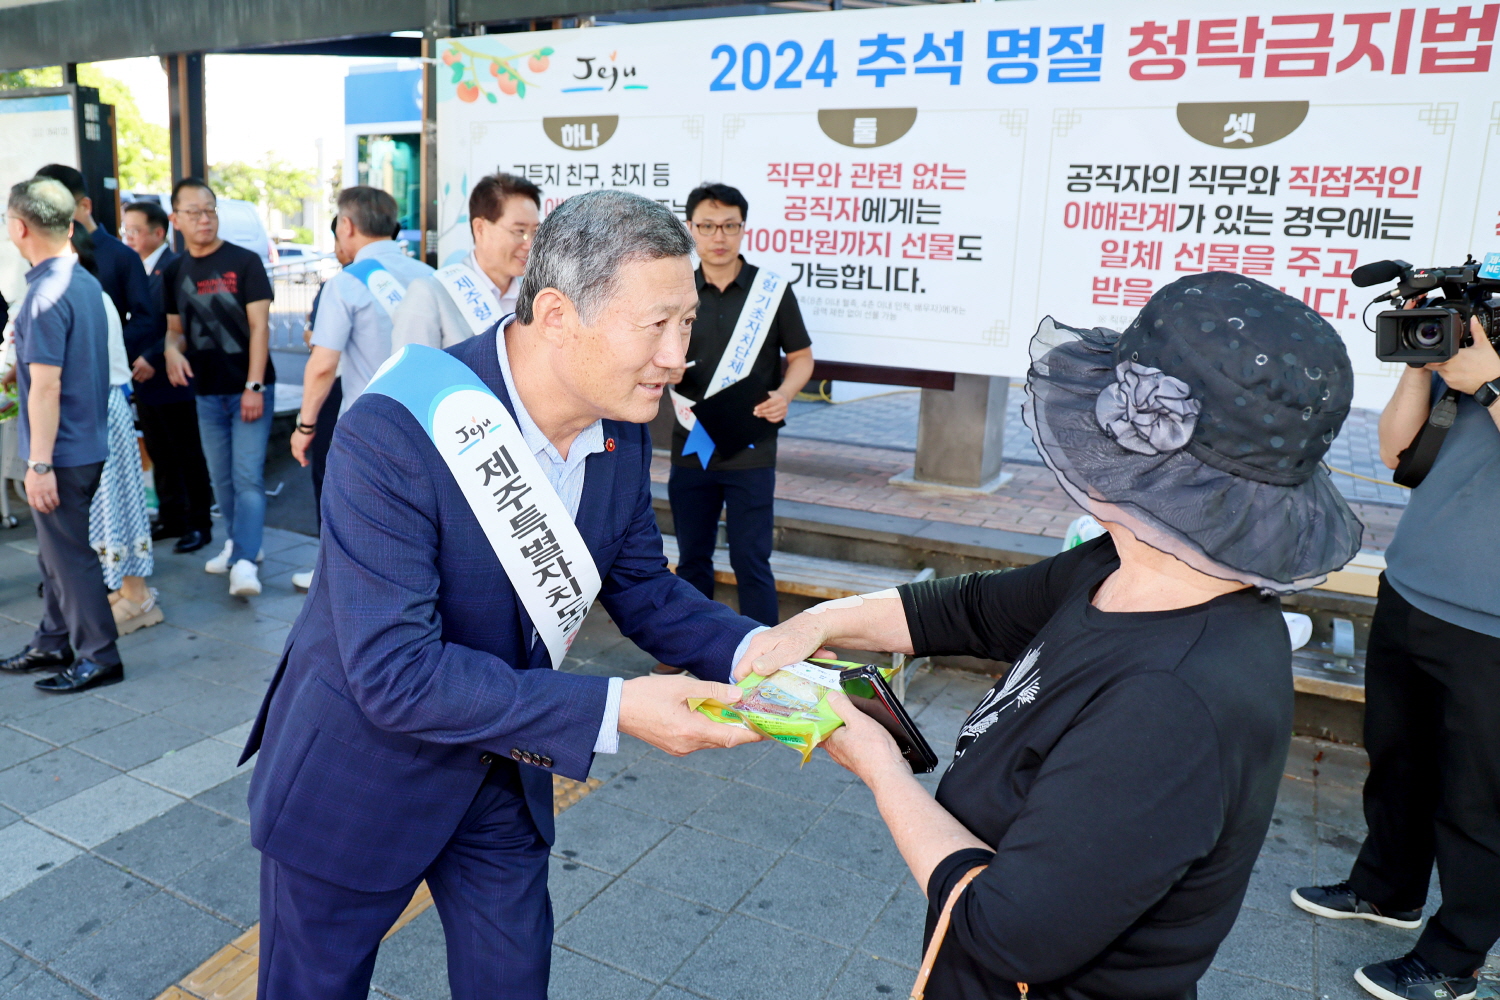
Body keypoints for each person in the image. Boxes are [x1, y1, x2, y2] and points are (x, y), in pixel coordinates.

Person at [739, 272, 1365, 1000]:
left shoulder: (1173, 703)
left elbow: (1009, 932)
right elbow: (967, 609)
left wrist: (876, 763)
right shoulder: (1123, 561)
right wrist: (824, 618)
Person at [242, 189, 776, 1000]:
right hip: (359, 775)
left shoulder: (621, 423)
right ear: (557, 313)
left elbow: (638, 585)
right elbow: (395, 674)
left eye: (687, 323)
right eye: (656, 326)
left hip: (499, 771)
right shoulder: (397, 427)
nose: (678, 357)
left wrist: (760, 652)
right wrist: (619, 709)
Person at [1292, 310, 1500, 1000]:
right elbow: (1397, 453)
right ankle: (1385, 890)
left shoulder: (1490, 370)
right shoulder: (1480, 354)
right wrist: (1424, 363)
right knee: (1398, 760)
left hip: (1493, 624)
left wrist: (1493, 387)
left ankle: (1455, 959)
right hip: (1413, 588)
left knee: (1479, 799)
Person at [657, 183, 814, 674]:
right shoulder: (677, 290)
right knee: (693, 555)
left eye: (729, 225)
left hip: (751, 447)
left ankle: (770, 657)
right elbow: (653, 350)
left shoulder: (772, 291)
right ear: (690, 229)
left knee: (751, 558)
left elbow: (803, 359)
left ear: (743, 228)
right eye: (706, 225)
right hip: (693, 444)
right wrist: (668, 368)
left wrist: (784, 395)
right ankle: (691, 650)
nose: (718, 236)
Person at [0, 177, 122, 693]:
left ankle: (99, 654)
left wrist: (39, 464)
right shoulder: (81, 280)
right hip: (85, 441)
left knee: (69, 555)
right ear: (69, 224)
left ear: (20, 227)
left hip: (61, 451)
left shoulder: (44, 295)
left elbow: (46, 388)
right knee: (57, 550)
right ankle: (53, 639)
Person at [287, 186, 433, 592]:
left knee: (355, 513)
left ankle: (343, 587)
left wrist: (305, 426)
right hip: (426, 422)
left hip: (367, 428)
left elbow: (322, 366)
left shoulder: (347, 284)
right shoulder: (429, 276)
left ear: (347, 226)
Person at [161, 177, 274, 597]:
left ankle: (245, 561)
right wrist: (171, 352)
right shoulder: (175, 271)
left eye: (210, 209)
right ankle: (238, 545)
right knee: (221, 478)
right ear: (176, 219)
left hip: (249, 387)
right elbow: (175, 331)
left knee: (247, 475)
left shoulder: (245, 262)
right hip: (205, 391)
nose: (204, 218)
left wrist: (255, 385)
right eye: (194, 212)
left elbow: (260, 327)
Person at [70, 228, 161, 636]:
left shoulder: (88, 295)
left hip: (101, 408)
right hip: (101, 409)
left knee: (118, 511)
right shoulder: (92, 294)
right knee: (114, 510)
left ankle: (138, 596)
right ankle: (128, 591)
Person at [122, 198, 215, 555]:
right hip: (143, 380)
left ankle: (198, 523)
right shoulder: (135, 267)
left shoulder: (174, 266)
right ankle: (171, 515)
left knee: (187, 453)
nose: (129, 236)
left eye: (135, 230)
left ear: (159, 232)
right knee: (159, 450)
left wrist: (151, 356)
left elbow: (180, 324)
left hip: (174, 375)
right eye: (125, 230)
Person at [390, 171, 540, 352]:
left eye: (535, 232)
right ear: (480, 229)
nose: (530, 244)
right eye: (519, 231)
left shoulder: (538, 294)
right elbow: (410, 375)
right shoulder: (430, 294)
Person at [35, 165, 154, 362]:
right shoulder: (47, 256)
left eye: (58, 209)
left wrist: (106, 353)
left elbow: (144, 319)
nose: (50, 219)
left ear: (85, 206)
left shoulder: (121, 256)